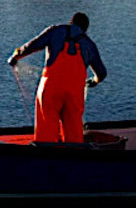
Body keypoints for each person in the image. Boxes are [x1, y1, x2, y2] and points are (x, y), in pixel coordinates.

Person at [10, 11, 109, 144]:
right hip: (74, 93)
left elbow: (30, 46)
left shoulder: (55, 31)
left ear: (71, 22)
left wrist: (15, 56)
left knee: (46, 130)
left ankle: (47, 158)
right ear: (85, 28)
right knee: (74, 132)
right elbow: (101, 73)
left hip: (51, 89)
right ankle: (74, 159)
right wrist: (94, 81)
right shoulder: (89, 44)